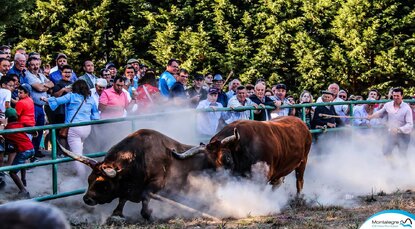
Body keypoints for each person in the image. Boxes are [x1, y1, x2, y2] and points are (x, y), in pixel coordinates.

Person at [42, 80, 100, 175]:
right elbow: (96, 116)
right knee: (80, 149)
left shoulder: (71, 96)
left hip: (75, 128)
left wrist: (45, 99)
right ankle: (81, 170)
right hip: (87, 128)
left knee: (77, 154)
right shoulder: (90, 99)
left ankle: (82, 175)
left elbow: (57, 101)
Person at [368, 88, 413, 156]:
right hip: (391, 133)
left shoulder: (407, 108)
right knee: (386, 151)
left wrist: (398, 129)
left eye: (398, 96)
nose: (395, 97)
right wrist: (371, 116)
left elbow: (410, 124)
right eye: (394, 95)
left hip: (404, 135)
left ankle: (404, 166)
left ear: (402, 96)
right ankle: (393, 166)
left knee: (402, 154)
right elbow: (380, 113)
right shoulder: (388, 105)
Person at [1, 108, 34, 198]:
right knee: (21, 162)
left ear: (7, 118)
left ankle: (23, 190)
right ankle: (23, 180)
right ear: (16, 116)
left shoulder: (7, 129)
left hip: (24, 150)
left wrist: (3, 125)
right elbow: (33, 131)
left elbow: (5, 140)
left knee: (12, 172)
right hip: (31, 148)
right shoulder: (20, 124)